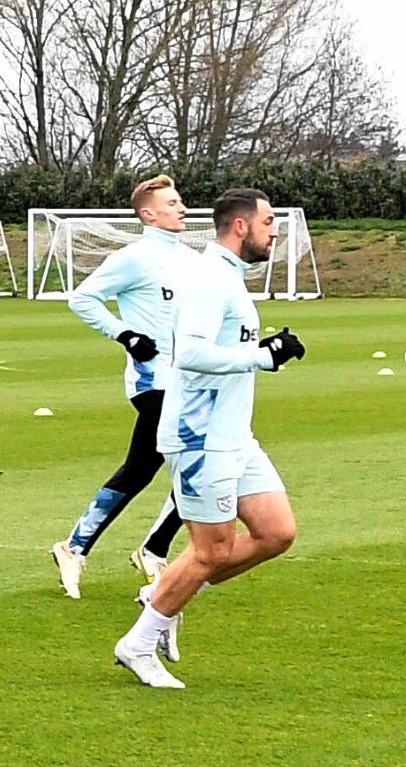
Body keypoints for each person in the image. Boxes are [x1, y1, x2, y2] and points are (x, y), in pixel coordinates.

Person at [112, 188, 308, 688]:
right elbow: (191, 354)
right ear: (240, 226)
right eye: (268, 221)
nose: (275, 231)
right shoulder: (208, 279)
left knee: (277, 532)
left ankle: (165, 592)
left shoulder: (228, 277)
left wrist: (261, 351)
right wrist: (263, 356)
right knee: (211, 552)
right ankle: (138, 643)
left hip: (233, 434)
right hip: (199, 436)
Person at [45, 174, 195, 602]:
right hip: (154, 380)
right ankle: (143, 550)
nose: (182, 208)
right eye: (172, 203)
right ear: (148, 214)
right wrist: (125, 335)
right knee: (195, 462)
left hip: (190, 379)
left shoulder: (192, 259)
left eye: (180, 201)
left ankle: (88, 547)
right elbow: (82, 298)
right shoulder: (134, 258)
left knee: (149, 467)